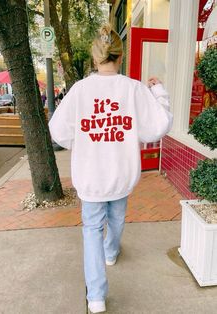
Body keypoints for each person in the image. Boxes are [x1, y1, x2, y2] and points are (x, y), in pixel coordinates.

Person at [49, 24, 173, 313]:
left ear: (95, 58)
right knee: (116, 218)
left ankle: (96, 297)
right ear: (121, 56)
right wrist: (160, 92)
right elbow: (158, 125)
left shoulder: (80, 90)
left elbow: (58, 129)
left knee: (91, 228)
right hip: (120, 173)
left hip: (91, 176)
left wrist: (80, 140)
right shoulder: (133, 89)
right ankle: (111, 252)